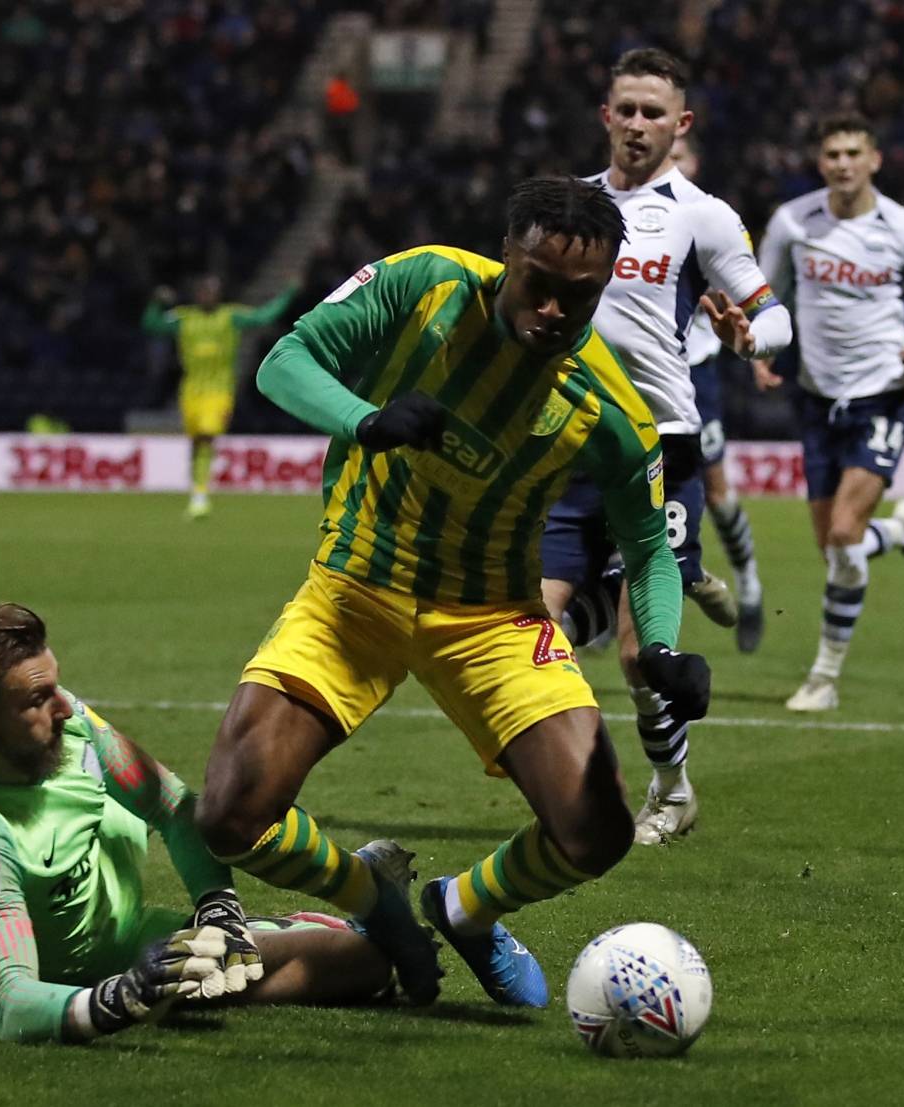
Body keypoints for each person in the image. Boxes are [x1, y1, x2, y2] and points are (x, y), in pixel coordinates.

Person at [195, 176, 712, 1012]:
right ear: (506, 255)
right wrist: (365, 418)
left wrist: (659, 647)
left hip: (492, 620)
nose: (553, 309)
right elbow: (286, 361)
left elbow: (648, 544)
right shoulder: (426, 282)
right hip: (353, 592)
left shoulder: (611, 408)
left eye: (578, 297)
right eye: (538, 283)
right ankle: (376, 903)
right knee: (229, 814)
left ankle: (462, 907)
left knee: (597, 830)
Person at [0, 602, 399, 1044]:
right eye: (36, 700)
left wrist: (218, 907)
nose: (63, 706)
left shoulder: (65, 720)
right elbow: (11, 1005)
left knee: (137, 811)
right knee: (370, 959)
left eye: (55, 685)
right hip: (96, 952)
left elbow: (175, 808)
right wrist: (121, 996)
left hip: (95, 872)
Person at [541, 50, 791, 845]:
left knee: (634, 650)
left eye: (656, 113)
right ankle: (570, 784)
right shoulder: (567, 206)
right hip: (572, 447)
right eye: (628, 110)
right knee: (529, 629)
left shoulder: (700, 214)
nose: (639, 125)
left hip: (663, 449)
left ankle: (672, 790)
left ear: (681, 125)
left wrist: (751, 337)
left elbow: (772, 311)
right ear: (605, 116)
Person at [755, 114, 904, 713]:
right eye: (832, 153)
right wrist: (763, 353)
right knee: (835, 549)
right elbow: (766, 293)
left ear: (875, 160)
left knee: (843, 536)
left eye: (852, 152)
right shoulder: (792, 221)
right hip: (817, 400)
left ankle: (824, 677)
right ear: (820, 161)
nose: (842, 163)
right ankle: (898, 530)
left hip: (884, 394)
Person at [672, 131, 768, 655]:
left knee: (716, 490)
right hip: (634, 376)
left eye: (680, 156)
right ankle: (607, 596)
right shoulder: (620, 214)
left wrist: (757, 346)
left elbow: (748, 293)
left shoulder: (709, 221)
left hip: (695, 371)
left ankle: (749, 581)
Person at [141, 276, 298, 518]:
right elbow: (152, 325)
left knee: (207, 435)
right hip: (190, 391)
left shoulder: (230, 316)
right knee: (197, 442)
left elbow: (263, 316)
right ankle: (197, 490)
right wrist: (156, 302)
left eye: (212, 291)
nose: (207, 295)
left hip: (220, 391)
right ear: (197, 294)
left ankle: (201, 496)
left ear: (219, 294)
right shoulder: (184, 317)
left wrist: (289, 292)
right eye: (203, 291)